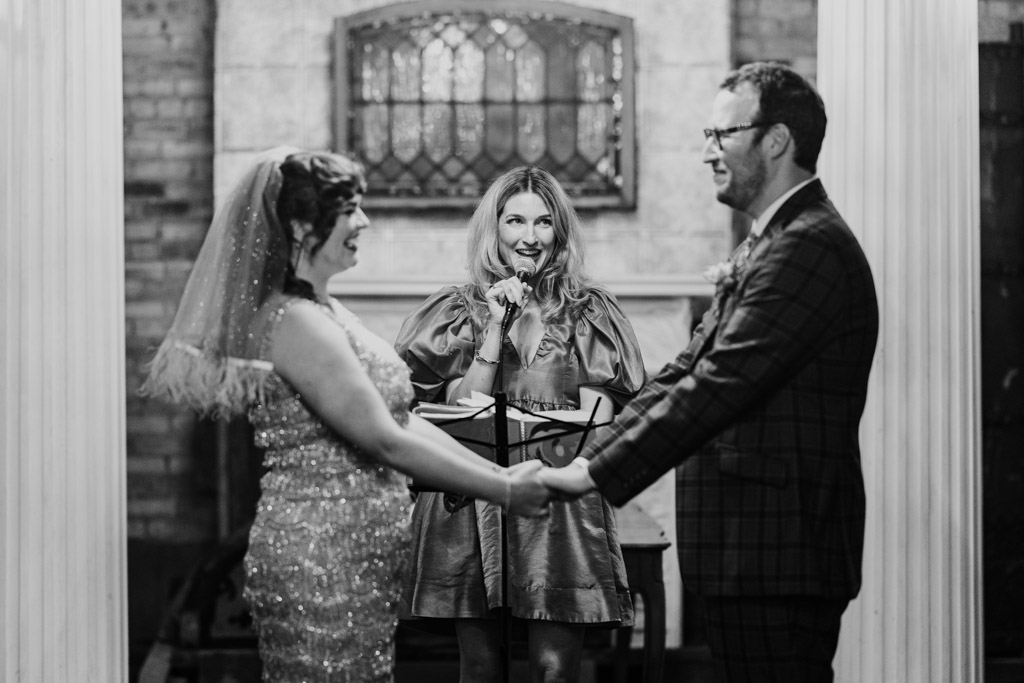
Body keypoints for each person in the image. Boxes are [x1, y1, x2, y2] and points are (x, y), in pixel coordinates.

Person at [141, 148, 551, 682]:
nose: (364, 221)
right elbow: (383, 439)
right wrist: (503, 491)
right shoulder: (295, 321)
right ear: (303, 224)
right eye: (350, 209)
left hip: (357, 552)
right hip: (320, 554)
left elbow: (401, 417)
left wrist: (500, 474)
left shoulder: (324, 309)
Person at [542, 62, 879, 682]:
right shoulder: (772, 240)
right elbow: (683, 371)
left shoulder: (808, 244)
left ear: (775, 139)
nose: (708, 152)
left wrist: (590, 473)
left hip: (776, 551)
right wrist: (580, 455)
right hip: (752, 550)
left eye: (722, 135)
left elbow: (718, 385)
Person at [394, 166, 646, 683]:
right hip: (469, 498)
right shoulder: (454, 311)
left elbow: (598, 418)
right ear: (494, 228)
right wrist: (493, 328)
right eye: (515, 221)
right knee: (481, 666)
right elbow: (457, 412)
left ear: (560, 231)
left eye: (544, 223)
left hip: (556, 503)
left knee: (556, 669)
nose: (529, 237)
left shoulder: (588, 310)